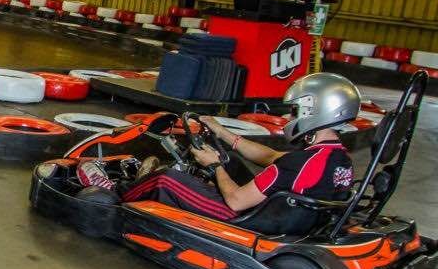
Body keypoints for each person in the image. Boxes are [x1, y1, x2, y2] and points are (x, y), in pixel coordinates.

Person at [121, 72, 359, 221]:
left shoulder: (295, 165)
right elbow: (270, 156)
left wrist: (213, 166)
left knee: (165, 179)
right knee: (231, 162)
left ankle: (118, 194)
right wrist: (221, 131)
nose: (290, 118)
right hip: (287, 216)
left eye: (296, 111)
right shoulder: (336, 159)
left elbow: (236, 201)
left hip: (246, 217)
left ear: (314, 111)